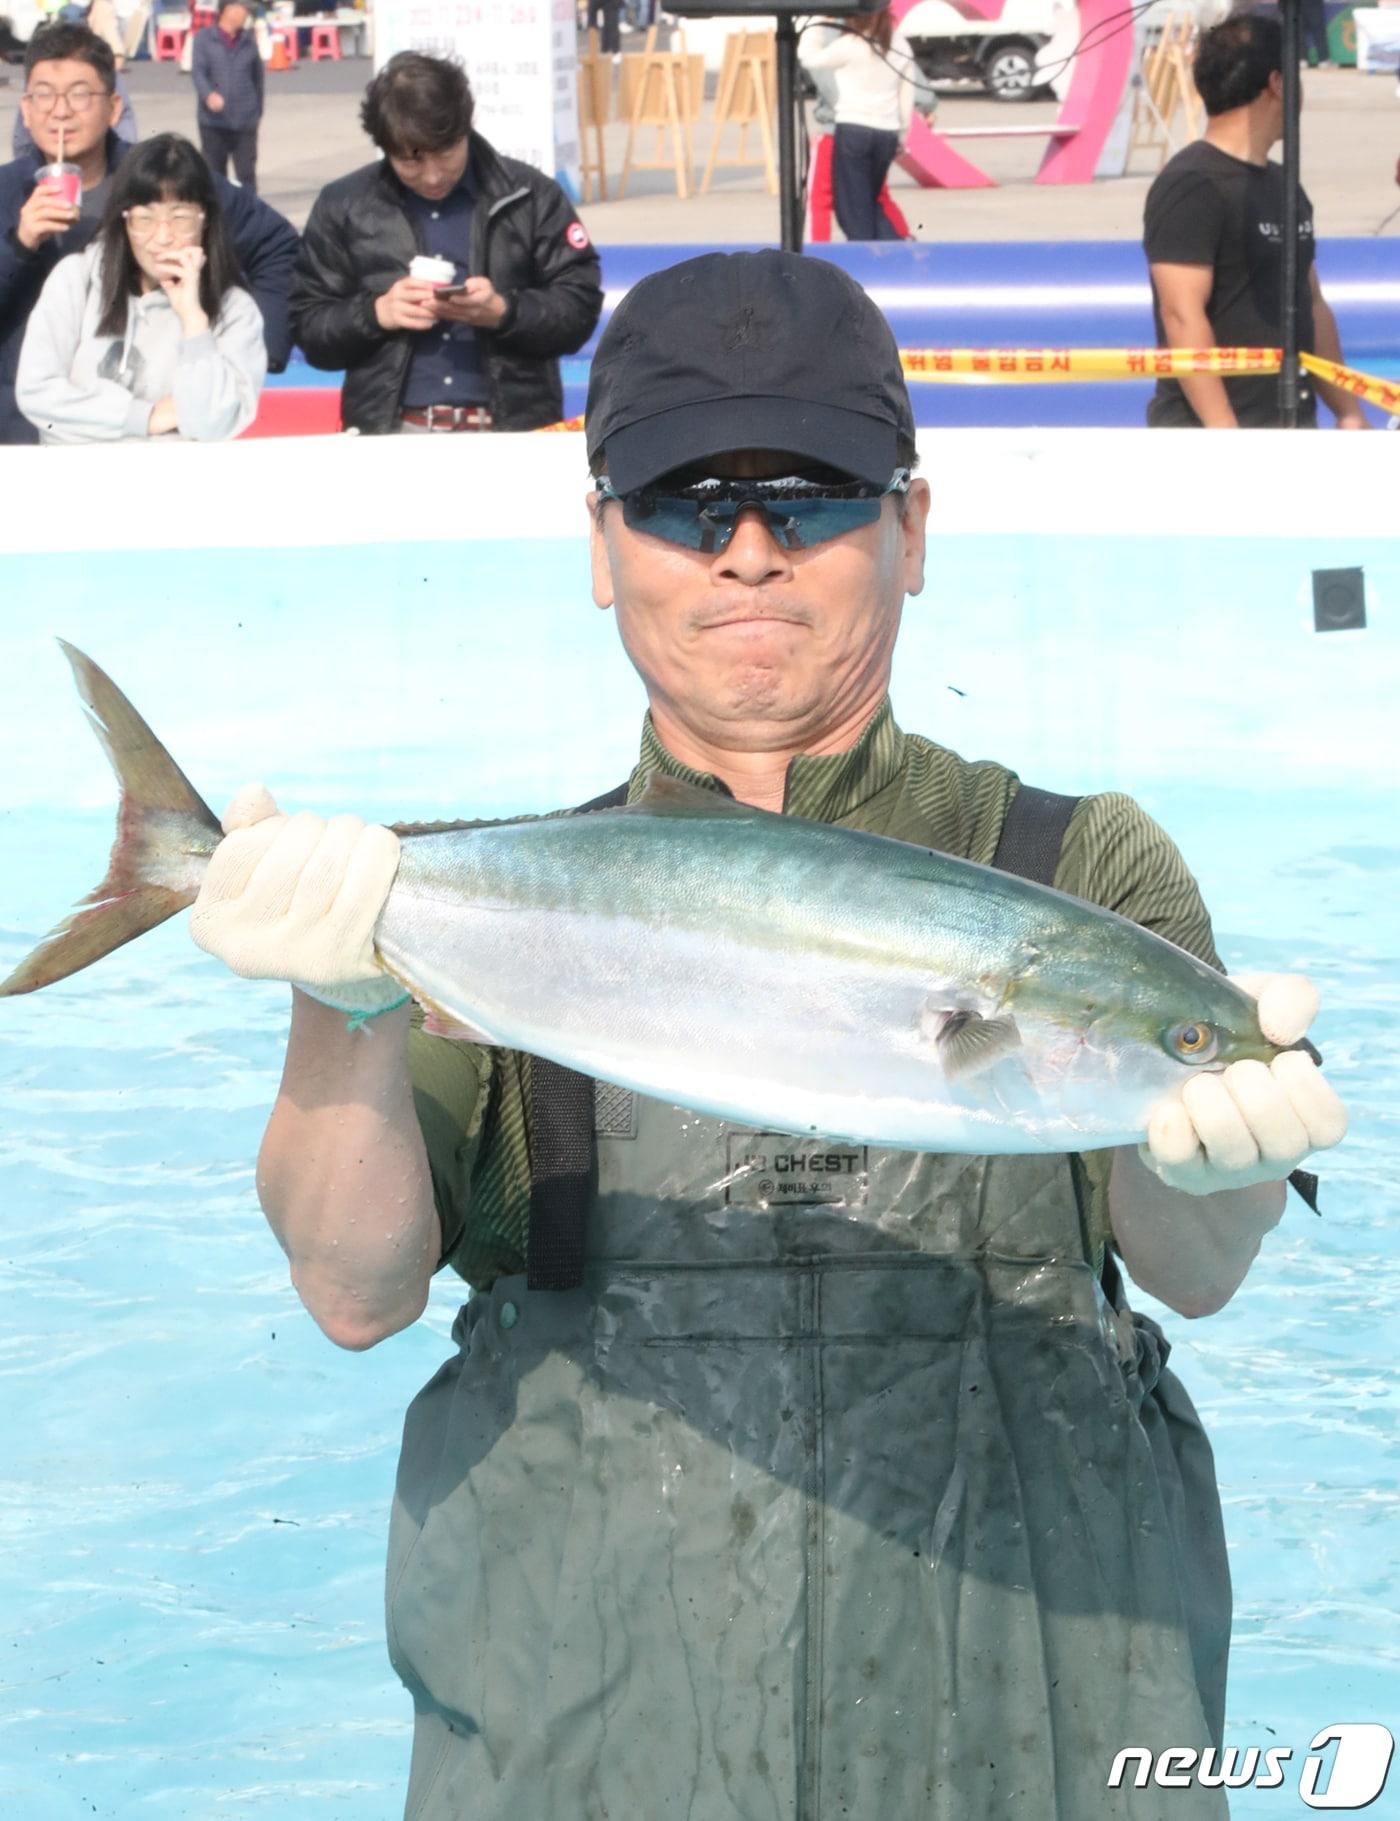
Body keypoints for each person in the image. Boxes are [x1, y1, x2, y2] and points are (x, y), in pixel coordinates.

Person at [186, 248, 1348, 1818]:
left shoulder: (1081, 867)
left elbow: (1199, 1274)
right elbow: (350, 1289)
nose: (747, 554)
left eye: (806, 496)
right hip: (598, 1744)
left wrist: (1221, 1164)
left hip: (1028, 1742)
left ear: (910, 527)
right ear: (604, 547)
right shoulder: (490, 901)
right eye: (682, 503)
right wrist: (343, 1005)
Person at [0, 22, 297, 445]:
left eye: (81, 94)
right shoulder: (5, 193)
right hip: (23, 429)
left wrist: (246, 352)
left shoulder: (159, 184)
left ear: (115, 108)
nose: (60, 110)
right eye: (43, 94)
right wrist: (19, 245)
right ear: (26, 109)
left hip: (157, 429)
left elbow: (277, 245)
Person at [290, 52, 602, 435]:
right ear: (385, 148)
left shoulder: (530, 195)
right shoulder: (344, 206)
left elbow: (580, 307)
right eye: (411, 162)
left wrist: (505, 311)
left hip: (510, 429)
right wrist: (376, 313)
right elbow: (309, 327)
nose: (433, 175)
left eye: (446, 154)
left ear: (466, 129)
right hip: (391, 429)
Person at [1143, 11, 1366, 429]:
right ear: (1277, 83)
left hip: (1290, 425)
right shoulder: (1192, 183)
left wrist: (1348, 410)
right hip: (1211, 435)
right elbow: (1181, 313)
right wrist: (1228, 435)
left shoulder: (1285, 185)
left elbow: (1310, 302)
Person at [16, 131, 265, 442]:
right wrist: (146, 417)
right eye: (145, 219)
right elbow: (36, 392)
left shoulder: (234, 310)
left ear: (206, 220)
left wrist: (193, 320)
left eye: (180, 218)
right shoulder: (75, 280)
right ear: (123, 222)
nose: (162, 237)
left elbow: (212, 425)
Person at [800, 10, 919, 242]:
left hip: (854, 130)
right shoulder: (899, 44)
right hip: (887, 133)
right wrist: (901, 134)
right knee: (872, 200)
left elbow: (809, 58)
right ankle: (897, 251)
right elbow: (907, 94)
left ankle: (868, 261)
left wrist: (819, 21)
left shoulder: (851, 44)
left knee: (852, 210)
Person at [191, 0, 264, 194]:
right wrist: (208, 95)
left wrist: (257, 112)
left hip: (245, 119)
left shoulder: (248, 40)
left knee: (247, 175)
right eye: (243, 8)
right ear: (228, 10)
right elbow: (198, 73)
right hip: (213, 122)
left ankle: (249, 218)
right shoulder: (204, 39)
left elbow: (258, 78)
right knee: (215, 176)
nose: (247, 13)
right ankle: (219, 219)